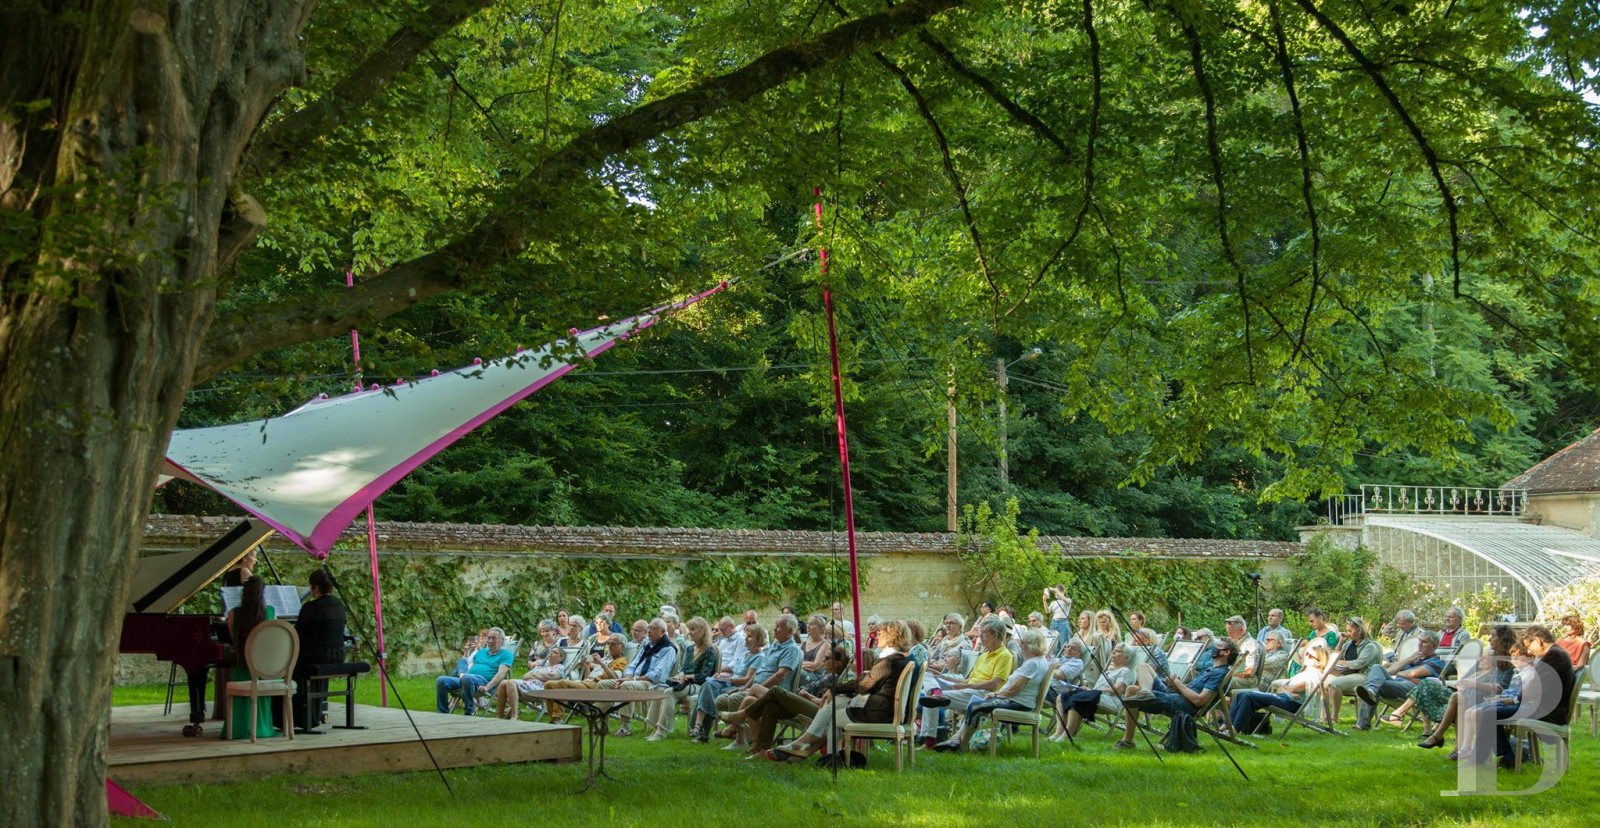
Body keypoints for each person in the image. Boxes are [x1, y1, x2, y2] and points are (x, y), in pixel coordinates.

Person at [767, 621, 913, 762]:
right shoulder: (900, 659)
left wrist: (838, 687)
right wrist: (836, 690)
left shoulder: (888, 661)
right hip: (884, 711)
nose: (876, 635)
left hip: (877, 714)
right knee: (832, 702)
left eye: (880, 633)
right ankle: (806, 746)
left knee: (832, 717)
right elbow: (868, 683)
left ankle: (827, 755)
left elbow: (864, 685)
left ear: (891, 636)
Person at [1461, 625, 1576, 768]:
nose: (1529, 651)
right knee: (1488, 710)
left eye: (1529, 647)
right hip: (1541, 707)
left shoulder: (1554, 656)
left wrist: (1516, 700)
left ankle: (1484, 759)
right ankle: (1508, 756)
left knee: (1490, 713)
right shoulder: (1556, 653)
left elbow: (1534, 686)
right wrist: (1514, 699)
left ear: (1537, 640)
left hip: (1547, 712)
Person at [933, 629, 1052, 752]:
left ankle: (961, 745)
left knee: (975, 706)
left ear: (1031, 645)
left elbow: (1014, 689)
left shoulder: (1032, 664)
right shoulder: (1038, 661)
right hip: (1019, 701)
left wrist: (995, 695)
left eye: (1023, 643)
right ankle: (956, 739)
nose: (1020, 646)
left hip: (1019, 703)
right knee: (976, 703)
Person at [722, 645, 852, 755]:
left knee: (771, 690)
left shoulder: (834, 679)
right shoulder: (825, 674)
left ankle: (741, 715)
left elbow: (827, 703)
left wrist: (808, 696)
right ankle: (760, 748)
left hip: (816, 710)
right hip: (801, 702)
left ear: (838, 662)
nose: (823, 660)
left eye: (827, 658)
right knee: (762, 703)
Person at [1416, 625, 1518, 754]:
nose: (1489, 639)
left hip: (1491, 699)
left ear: (1503, 639)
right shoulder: (1489, 655)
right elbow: (1467, 678)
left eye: (1493, 636)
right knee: (1438, 688)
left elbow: (1501, 689)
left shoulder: (1508, 662)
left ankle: (1444, 739)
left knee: (1459, 698)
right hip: (1473, 693)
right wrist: (1465, 683)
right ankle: (1454, 745)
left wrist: (1474, 684)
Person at [916, 617, 1014, 747]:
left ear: (995, 634)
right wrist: (944, 677)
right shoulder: (983, 655)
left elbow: (994, 684)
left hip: (983, 693)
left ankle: (929, 742)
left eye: (983, 633)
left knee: (931, 699)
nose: (980, 636)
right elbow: (968, 680)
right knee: (927, 673)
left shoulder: (1005, 656)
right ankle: (936, 691)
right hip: (969, 688)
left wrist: (965, 686)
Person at [1134, 637, 1238, 750]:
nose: (1215, 648)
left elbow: (1199, 700)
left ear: (1226, 652)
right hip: (1176, 696)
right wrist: (1175, 684)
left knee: (1132, 691)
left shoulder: (1219, 673)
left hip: (1183, 704)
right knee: (1143, 666)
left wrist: (1178, 684)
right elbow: (1190, 690)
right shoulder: (1209, 670)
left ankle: (1128, 740)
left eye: (1219, 646)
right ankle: (1146, 692)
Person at [285, 569, 346, 732]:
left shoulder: (310, 607)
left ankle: (296, 716)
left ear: (316, 588)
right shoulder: (339, 605)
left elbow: (297, 635)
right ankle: (314, 713)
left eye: (311, 587)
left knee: (288, 665)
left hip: (315, 656)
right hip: (337, 655)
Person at [599, 617, 678, 736]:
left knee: (626, 686)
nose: (649, 631)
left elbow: (657, 675)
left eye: (652, 629)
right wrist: (628, 676)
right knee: (602, 684)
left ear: (662, 631)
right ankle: (602, 724)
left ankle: (625, 727)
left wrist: (633, 679)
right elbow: (632, 665)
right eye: (648, 628)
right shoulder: (647, 646)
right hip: (633, 680)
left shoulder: (668, 649)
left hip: (651, 684)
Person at [646, 616, 719, 740]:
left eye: (693, 629)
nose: (690, 632)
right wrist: (681, 674)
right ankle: (655, 727)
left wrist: (686, 676)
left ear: (703, 631)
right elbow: (684, 668)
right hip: (684, 683)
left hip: (700, 686)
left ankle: (661, 731)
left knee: (669, 692)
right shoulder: (690, 649)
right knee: (659, 689)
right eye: (690, 629)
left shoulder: (710, 651)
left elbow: (704, 677)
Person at [1051, 642, 1139, 744]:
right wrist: (1088, 690)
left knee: (1078, 700)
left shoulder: (1125, 671)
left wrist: (1094, 691)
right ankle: (1058, 732)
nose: (1113, 653)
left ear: (1126, 658)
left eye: (1118, 651)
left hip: (1112, 701)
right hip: (1096, 696)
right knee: (1061, 697)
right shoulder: (1108, 671)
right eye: (1113, 651)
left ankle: (1067, 735)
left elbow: (1117, 690)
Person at [224, 576, 279, 739]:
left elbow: (234, 641)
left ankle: (238, 728)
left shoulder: (233, 614)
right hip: (264, 672)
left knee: (239, 674)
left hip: (242, 669)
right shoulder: (270, 613)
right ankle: (263, 728)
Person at [1354, 630, 1445, 730]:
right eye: (1420, 641)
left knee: (1376, 682)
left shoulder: (1436, 662)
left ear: (1434, 646)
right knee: (1377, 668)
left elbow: (1411, 674)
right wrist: (1409, 659)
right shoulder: (1415, 657)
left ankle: (1363, 724)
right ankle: (1370, 692)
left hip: (1412, 689)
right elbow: (1391, 671)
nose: (1420, 644)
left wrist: (1393, 672)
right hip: (1397, 684)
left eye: (1424, 642)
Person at [541, 636, 631, 720]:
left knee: (562, 683)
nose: (610, 646)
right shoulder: (605, 658)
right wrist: (587, 667)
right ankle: (553, 719)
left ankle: (557, 718)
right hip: (587, 683)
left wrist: (601, 664)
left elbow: (615, 678)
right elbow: (588, 679)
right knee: (549, 684)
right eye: (608, 644)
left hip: (598, 687)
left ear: (622, 647)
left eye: (613, 644)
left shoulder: (622, 660)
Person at [436, 627, 512, 716]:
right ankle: (442, 712)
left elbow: (501, 673)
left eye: (494, 638)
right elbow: (468, 663)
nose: (490, 641)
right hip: (467, 679)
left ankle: (469, 711)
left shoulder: (506, 654)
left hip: (484, 682)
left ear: (501, 640)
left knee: (467, 678)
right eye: (489, 638)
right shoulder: (482, 652)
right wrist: (466, 652)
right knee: (441, 680)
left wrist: (487, 687)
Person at [1320, 617, 1382, 726]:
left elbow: (1359, 663)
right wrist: (1340, 642)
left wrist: (1341, 662)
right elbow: (1336, 657)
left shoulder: (1369, 646)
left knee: (1335, 684)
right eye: (1347, 630)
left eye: (1350, 631)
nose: (1348, 633)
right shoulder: (1349, 644)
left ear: (1359, 629)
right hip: (1347, 673)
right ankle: (1325, 716)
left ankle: (1334, 717)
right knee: (1324, 682)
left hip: (1363, 675)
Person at [496, 648, 567, 719]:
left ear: (561, 658)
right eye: (551, 651)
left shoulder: (559, 667)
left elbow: (551, 676)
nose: (551, 653)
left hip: (541, 690)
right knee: (503, 683)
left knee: (511, 682)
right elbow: (525, 676)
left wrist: (534, 674)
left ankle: (514, 716)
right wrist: (540, 676)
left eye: (555, 653)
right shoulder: (542, 664)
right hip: (528, 686)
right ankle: (500, 715)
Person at [1225, 616, 1261, 691]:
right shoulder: (1233, 641)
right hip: (1231, 676)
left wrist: (1228, 675)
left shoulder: (1251, 645)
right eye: (1228, 632)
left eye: (1231, 632)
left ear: (1241, 630)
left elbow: (1250, 672)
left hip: (1246, 680)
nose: (1229, 635)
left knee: (1218, 681)